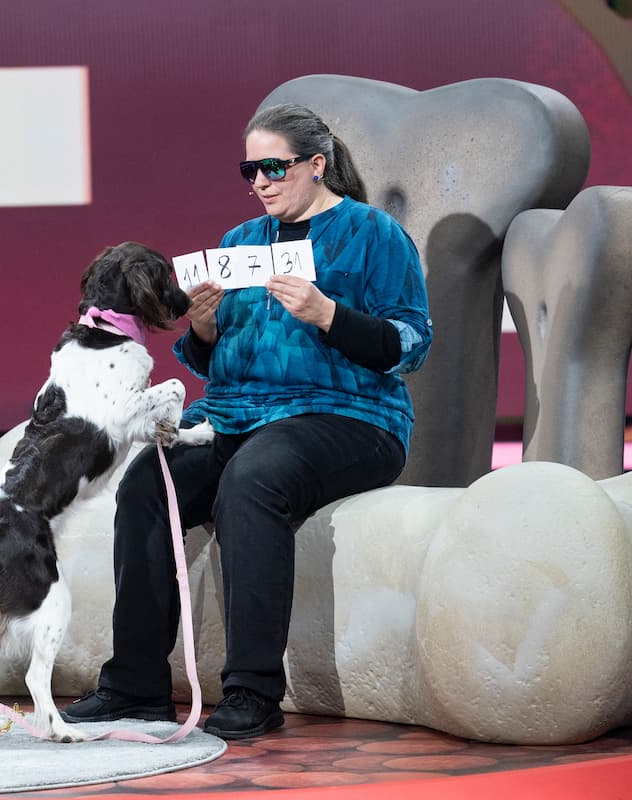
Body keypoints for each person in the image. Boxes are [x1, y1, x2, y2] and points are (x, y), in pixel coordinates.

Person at [62, 103, 433, 739]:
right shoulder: (238, 244)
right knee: (150, 482)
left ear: (317, 166)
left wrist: (328, 315)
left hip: (348, 414)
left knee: (253, 479)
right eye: (248, 170)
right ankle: (136, 685)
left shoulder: (375, 234)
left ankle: (253, 691)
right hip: (238, 410)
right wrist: (203, 325)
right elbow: (214, 361)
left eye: (272, 167)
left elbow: (411, 343)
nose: (259, 182)